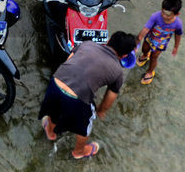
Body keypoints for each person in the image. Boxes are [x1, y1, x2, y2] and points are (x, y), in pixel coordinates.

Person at [40, 31, 136, 160]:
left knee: (55, 108)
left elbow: (69, 60)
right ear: (124, 56)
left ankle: (50, 131)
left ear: (107, 41)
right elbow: (111, 96)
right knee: (84, 126)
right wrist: (101, 110)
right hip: (77, 98)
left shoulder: (87, 44)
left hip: (56, 83)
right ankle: (79, 151)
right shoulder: (118, 71)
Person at [136, 0, 184, 85]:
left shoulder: (178, 24)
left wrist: (176, 47)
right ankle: (145, 55)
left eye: (168, 14)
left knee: (154, 57)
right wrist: (138, 40)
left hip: (160, 44)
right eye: (163, 12)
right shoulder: (155, 16)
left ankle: (150, 72)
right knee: (144, 49)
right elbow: (146, 28)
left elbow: (178, 34)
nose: (164, 16)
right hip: (150, 38)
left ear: (177, 14)